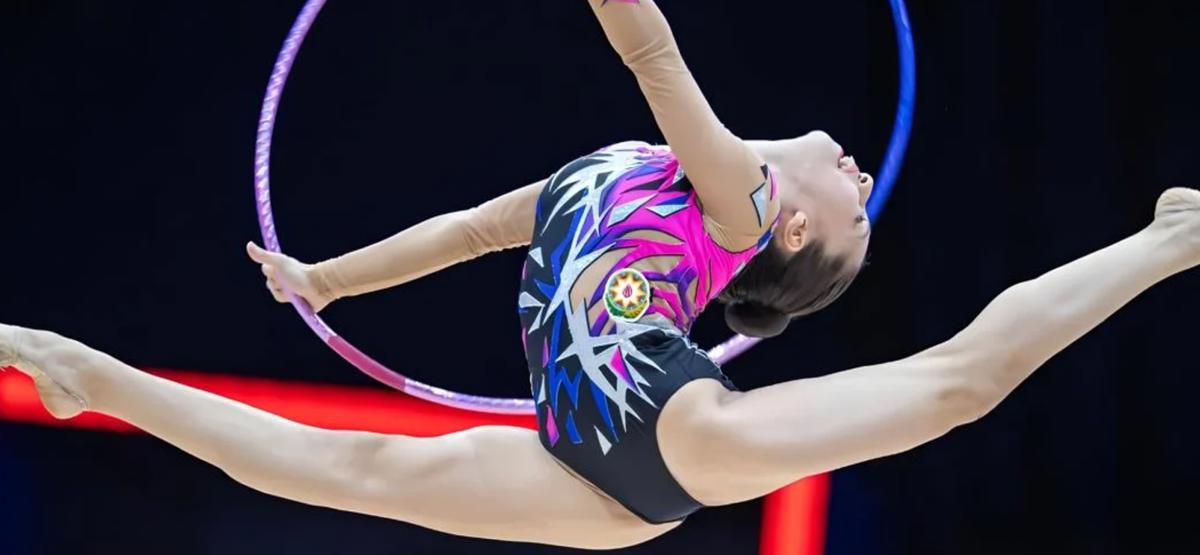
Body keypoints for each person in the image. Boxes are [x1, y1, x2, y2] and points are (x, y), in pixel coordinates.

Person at [4, 0, 1198, 549]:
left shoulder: (738, 202)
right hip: (583, 469)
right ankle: (93, 377)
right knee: (343, 470)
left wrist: (331, 285)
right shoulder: (612, 173)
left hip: (673, 432)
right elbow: (469, 230)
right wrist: (327, 282)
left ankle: (1167, 240)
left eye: (860, 213)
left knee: (954, 386)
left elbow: (649, 48)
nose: (860, 176)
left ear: (789, 231)